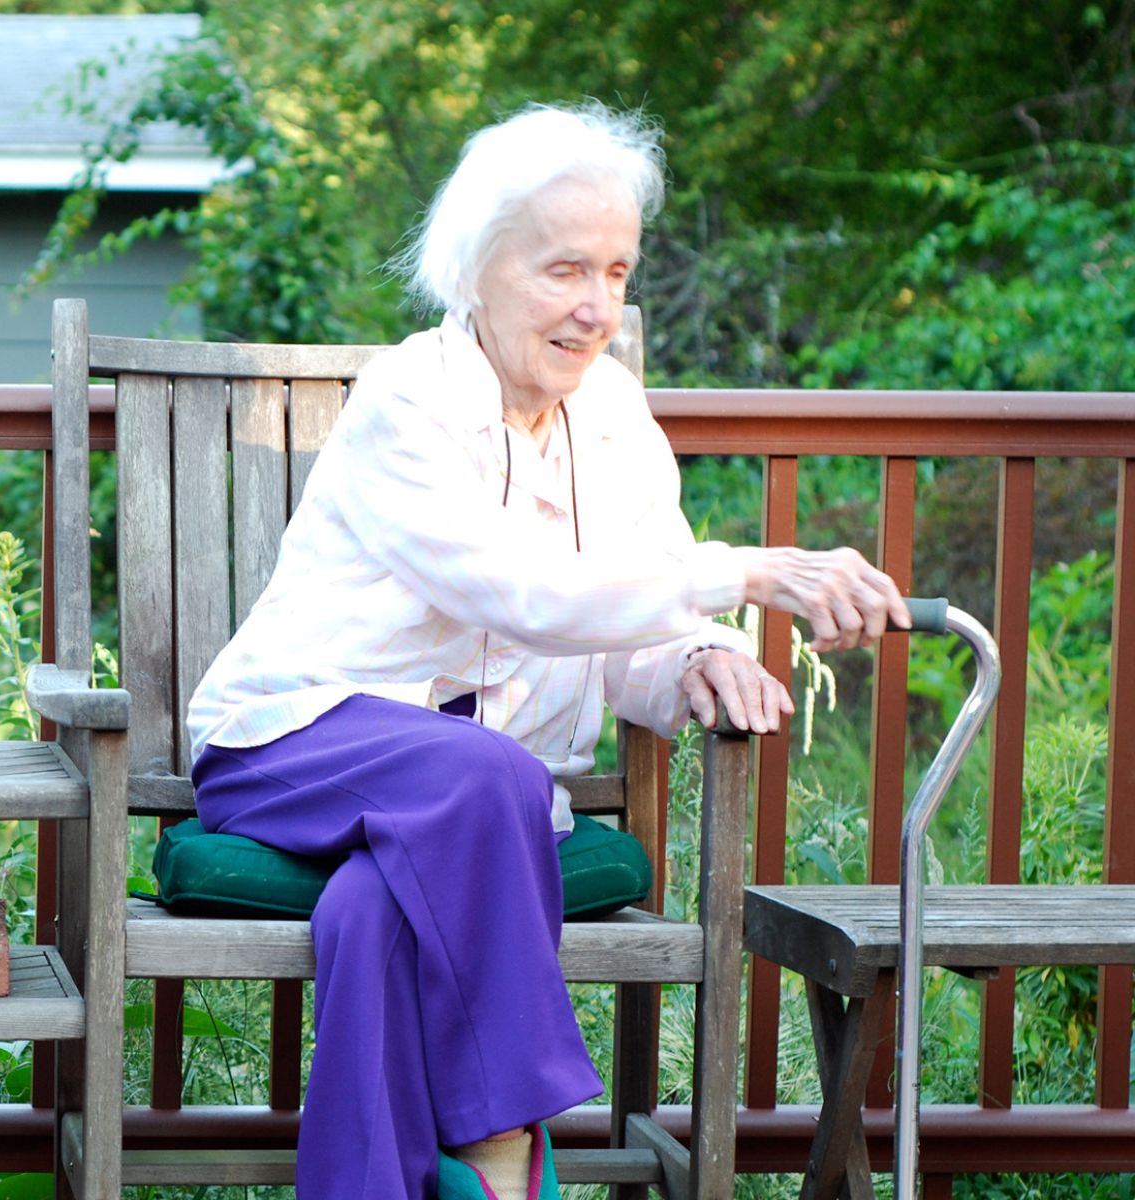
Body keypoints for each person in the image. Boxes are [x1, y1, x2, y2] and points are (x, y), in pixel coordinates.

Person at [183, 102, 908, 1200]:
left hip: (472, 812)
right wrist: (749, 576)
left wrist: (693, 659)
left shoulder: (612, 413)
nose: (597, 307)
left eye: (616, 272)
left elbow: (629, 622)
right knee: (492, 778)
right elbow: (519, 592)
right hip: (291, 748)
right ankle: (509, 1152)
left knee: (376, 911)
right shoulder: (407, 400)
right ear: (475, 268)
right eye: (565, 269)